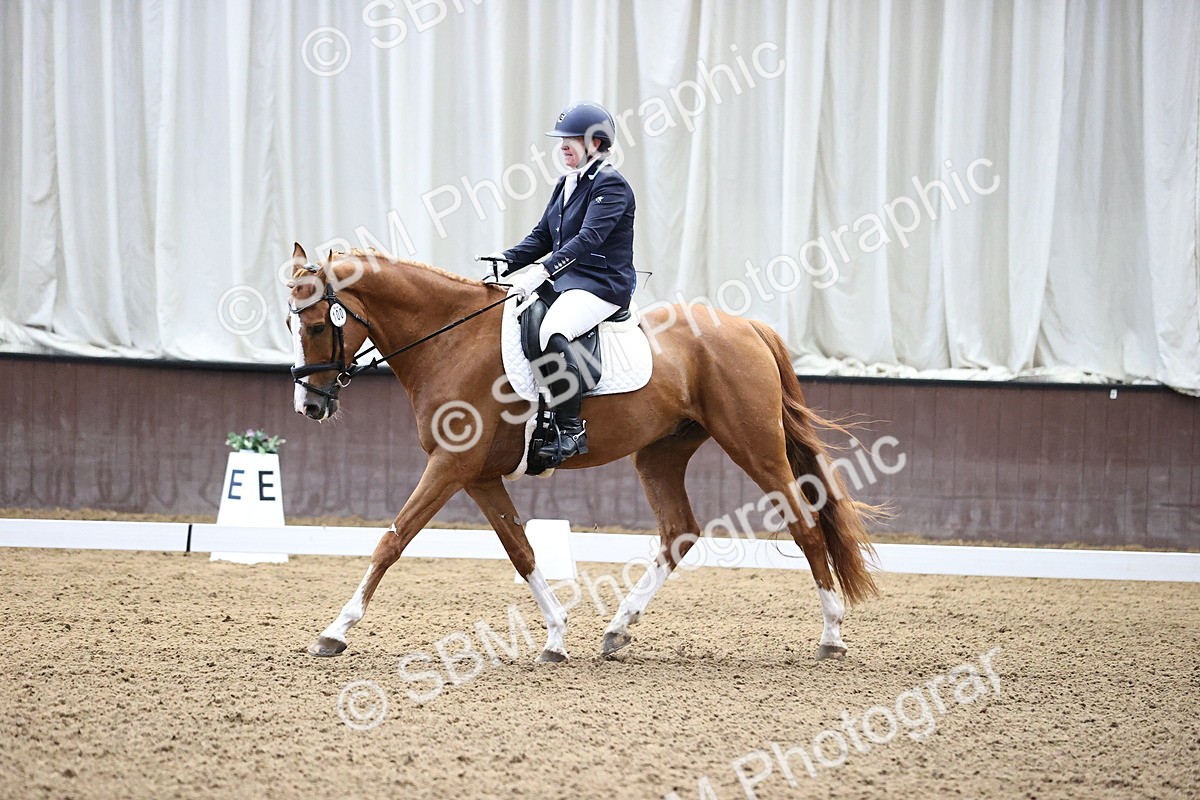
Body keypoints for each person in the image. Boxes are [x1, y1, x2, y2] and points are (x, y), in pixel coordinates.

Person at [488, 101, 636, 466]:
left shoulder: (611, 185)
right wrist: (506, 261)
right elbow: (542, 236)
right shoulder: (567, 183)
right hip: (568, 280)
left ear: (597, 143)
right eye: (562, 139)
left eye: (572, 138)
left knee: (553, 330)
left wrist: (544, 271)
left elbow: (588, 239)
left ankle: (570, 429)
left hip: (602, 284)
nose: (563, 145)